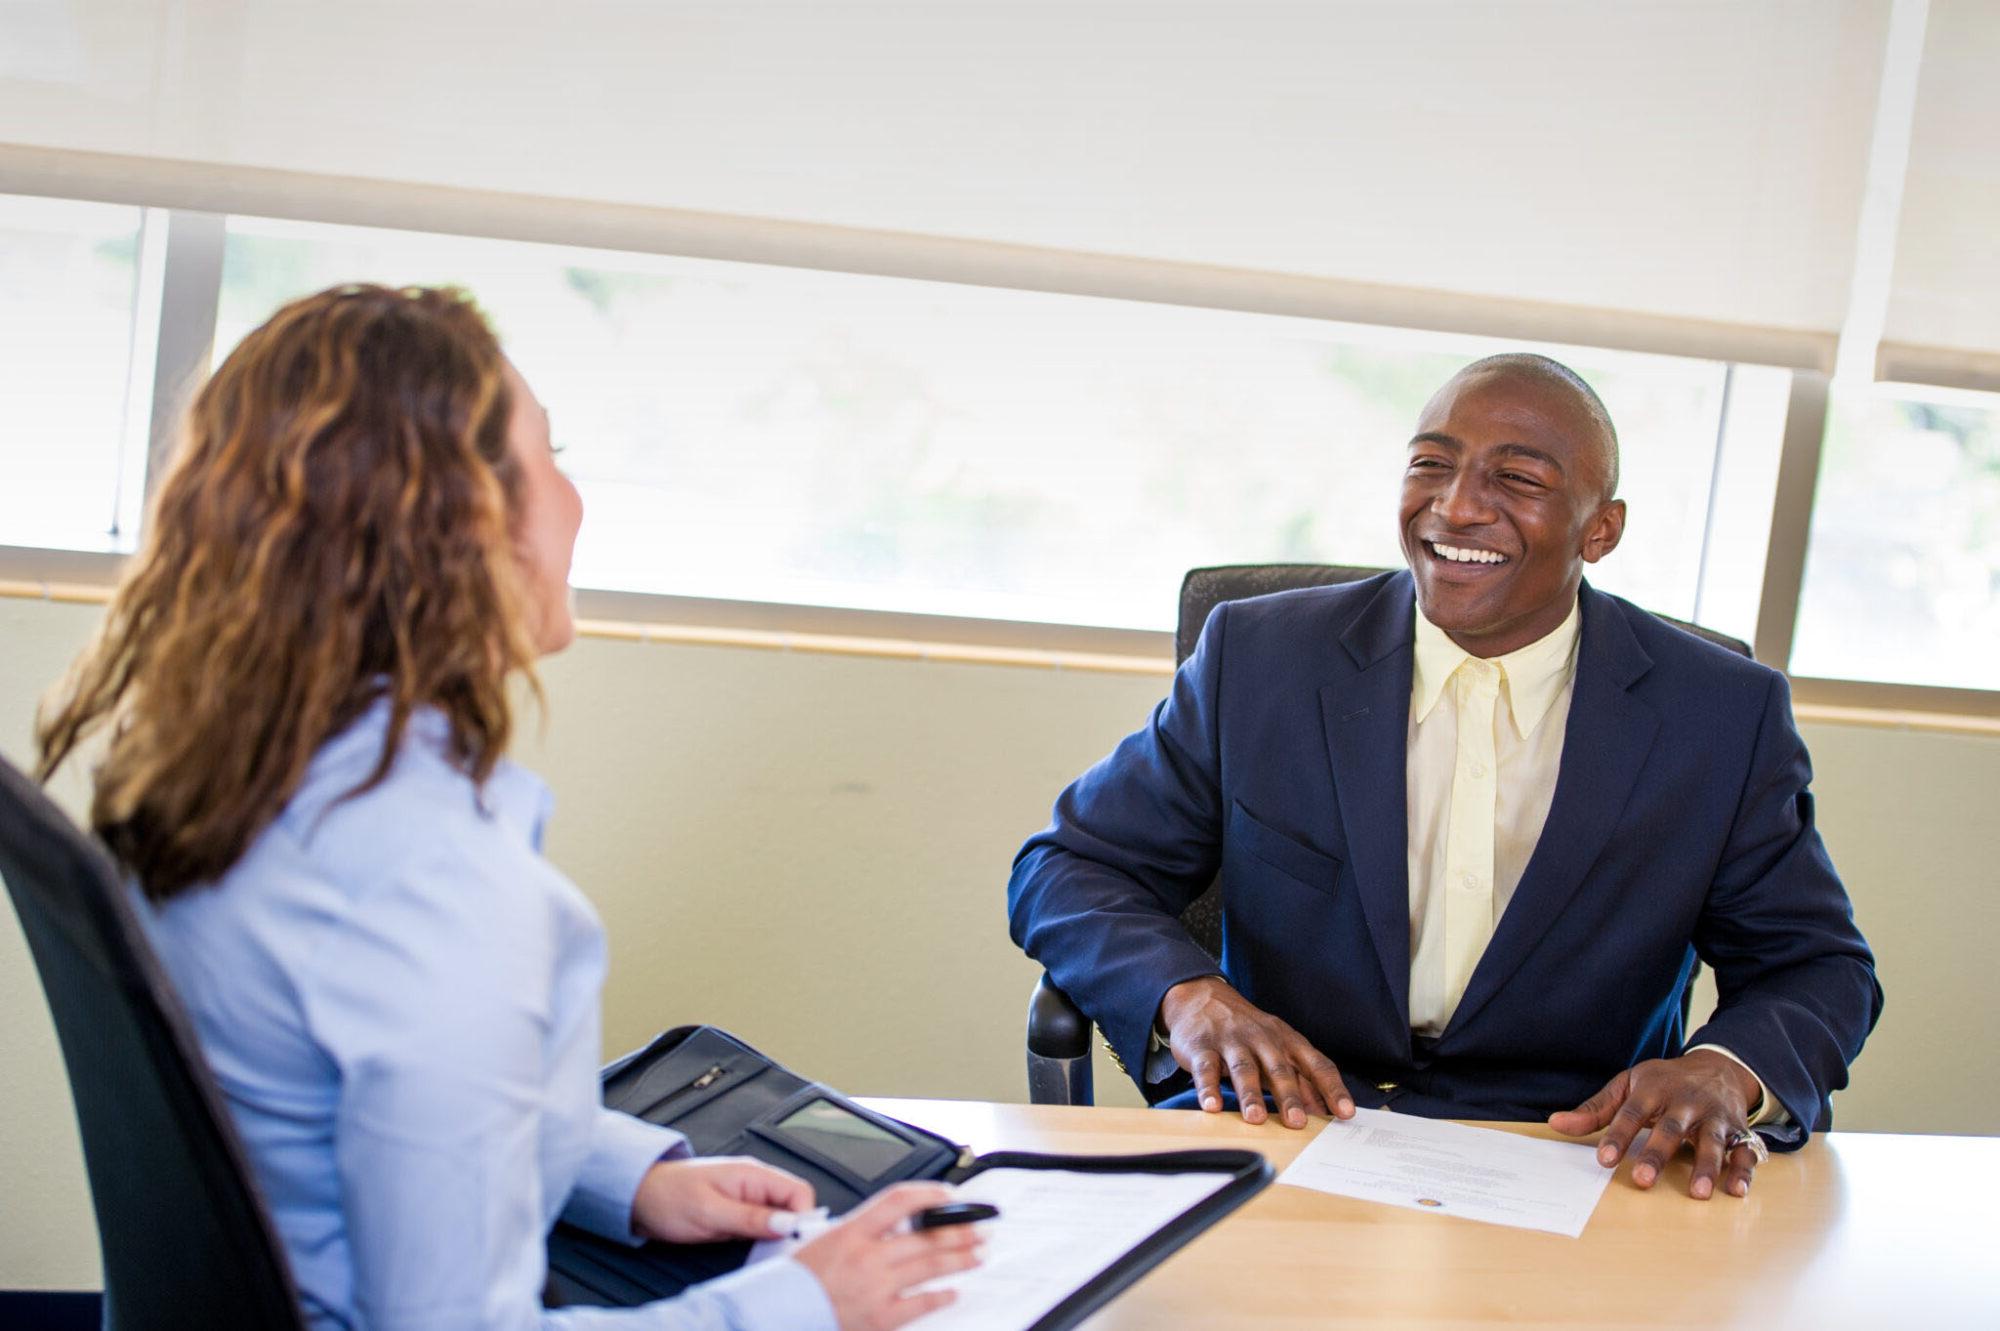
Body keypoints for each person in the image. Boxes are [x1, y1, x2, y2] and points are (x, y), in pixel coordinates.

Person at [36, 284, 979, 1330]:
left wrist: (633, 1178)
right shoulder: (440, 894)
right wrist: (797, 1303)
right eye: (551, 457)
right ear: (459, 524)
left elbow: (350, 1111)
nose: (576, 502)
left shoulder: (221, 787)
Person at [1008, 352, 1881, 1200]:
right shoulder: (1260, 658)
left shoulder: (1718, 716)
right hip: (1284, 1131)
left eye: (1518, 479)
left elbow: (1817, 965)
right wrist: (1187, 996)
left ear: (1600, 530)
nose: (1457, 507)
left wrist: (1724, 1071)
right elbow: (1069, 867)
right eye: (1432, 464)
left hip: (1575, 1154)